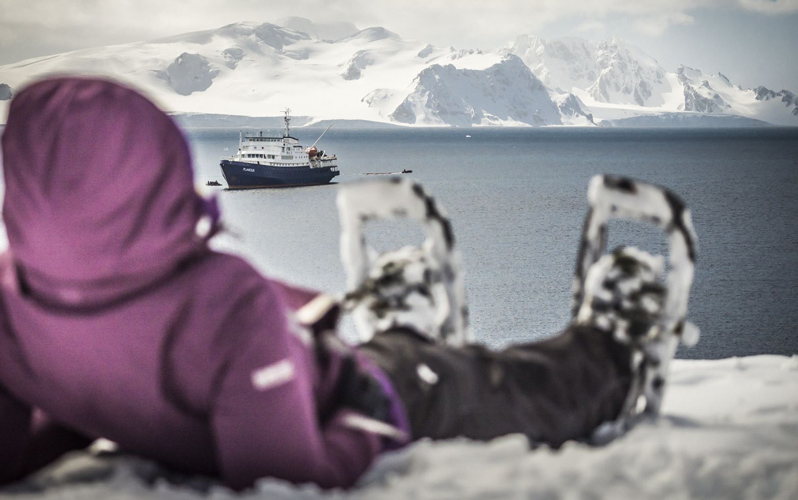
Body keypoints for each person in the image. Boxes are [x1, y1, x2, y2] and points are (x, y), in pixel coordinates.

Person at [0, 77, 698, 491]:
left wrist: (97, 410)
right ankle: (612, 353)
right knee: (492, 383)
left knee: (370, 344)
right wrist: (366, 426)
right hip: (360, 393)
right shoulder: (225, 304)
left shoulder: (13, 307)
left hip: (275, 373)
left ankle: (401, 329)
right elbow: (284, 479)